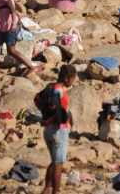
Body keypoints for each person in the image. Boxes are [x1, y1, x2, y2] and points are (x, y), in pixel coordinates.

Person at [42, 65, 77, 194]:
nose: (73, 82)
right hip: (58, 130)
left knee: (53, 162)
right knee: (58, 164)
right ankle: (55, 191)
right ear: (67, 79)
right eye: (73, 79)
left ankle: (46, 189)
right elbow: (54, 105)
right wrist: (60, 118)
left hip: (48, 129)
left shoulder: (51, 87)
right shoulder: (59, 90)